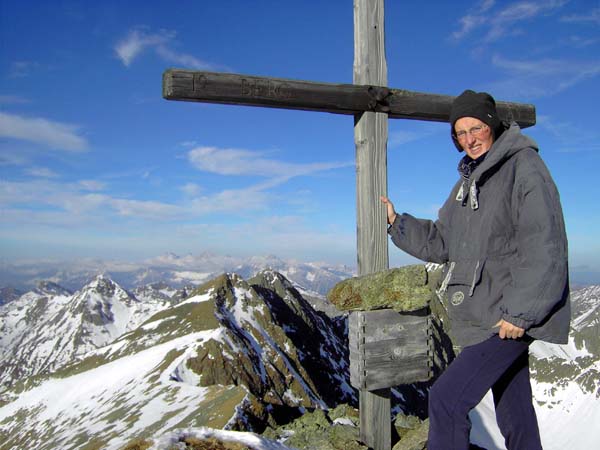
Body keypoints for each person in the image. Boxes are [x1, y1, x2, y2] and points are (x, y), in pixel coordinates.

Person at [381, 89, 570, 450]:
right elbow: (443, 242)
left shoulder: (523, 166)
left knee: (446, 400)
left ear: (492, 125)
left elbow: (545, 242)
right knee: (515, 413)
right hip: (490, 313)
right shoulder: (469, 182)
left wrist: (520, 312)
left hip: (507, 316)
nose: (469, 139)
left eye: (476, 128)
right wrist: (397, 223)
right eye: (460, 133)